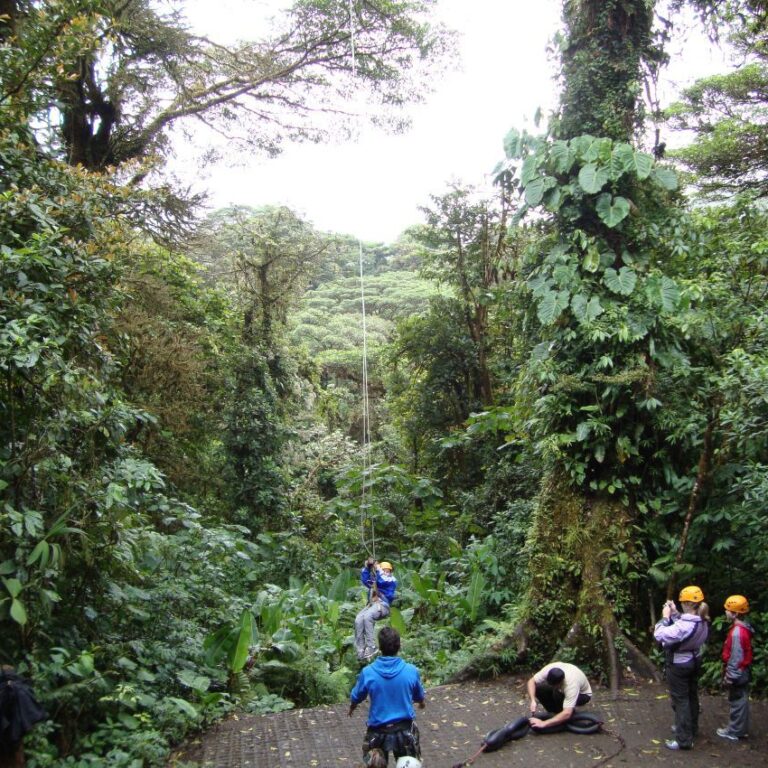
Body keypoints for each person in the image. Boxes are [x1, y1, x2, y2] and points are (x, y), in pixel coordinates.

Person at [349, 627, 425, 767]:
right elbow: (419, 695)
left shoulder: (368, 672)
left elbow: (357, 695)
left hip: (377, 730)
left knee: (374, 763)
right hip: (404, 729)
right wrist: (421, 702)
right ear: (399, 646)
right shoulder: (411, 671)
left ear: (380, 647)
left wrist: (352, 706)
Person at [653, 585, 710, 751]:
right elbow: (684, 624)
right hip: (694, 660)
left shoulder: (685, 625)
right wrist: (675, 612)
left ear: (686, 603)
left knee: (681, 700)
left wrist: (665, 617)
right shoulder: (702, 619)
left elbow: (659, 634)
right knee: (691, 696)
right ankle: (691, 728)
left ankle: (683, 739)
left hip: (679, 664)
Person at [716, 594, 754, 743]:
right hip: (742, 670)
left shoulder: (738, 632)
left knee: (737, 700)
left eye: (728, 609)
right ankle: (739, 729)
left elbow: (736, 657)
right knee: (741, 698)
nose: (725, 612)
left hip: (738, 671)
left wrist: (730, 676)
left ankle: (735, 731)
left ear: (736, 613)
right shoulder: (743, 629)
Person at [527, 661, 592, 730]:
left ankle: (562, 718)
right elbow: (531, 681)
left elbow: (567, 713)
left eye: (555, 685)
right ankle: (555, 714)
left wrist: (543, 724)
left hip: (583, 695)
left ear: (561, 681)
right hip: (564, 687)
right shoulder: (549, 669)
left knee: (557, 693)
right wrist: (533, 700)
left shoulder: (571, 685)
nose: (553, 686)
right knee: (539, 688)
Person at [355, 558, 397, 662]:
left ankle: (371, 646)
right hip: (372, 605)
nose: (386, 572)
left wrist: (378, 568)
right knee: (358, 619)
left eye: (388, 571)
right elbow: (365, 580)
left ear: (390, 572)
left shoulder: (391, 580)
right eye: (384, 570)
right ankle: (361, 648)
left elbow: (382, 580)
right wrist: (368, 567)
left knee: (368, 616)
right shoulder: (376, 580)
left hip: (383, 605)